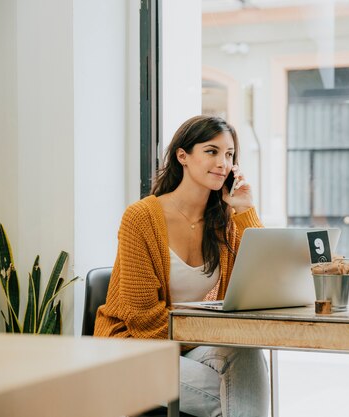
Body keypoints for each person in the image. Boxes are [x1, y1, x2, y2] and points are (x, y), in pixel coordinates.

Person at [94, 115, 269, 417]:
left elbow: (264, 278)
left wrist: (245, 209)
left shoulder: (222, 222)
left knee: (246, 356)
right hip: (130, 351)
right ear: (183, 156)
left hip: (183, 345)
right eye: (211, 151)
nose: (223, 164)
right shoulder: (141, 218)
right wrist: (210, 332)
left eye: (229, 155)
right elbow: (145, 322)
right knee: (234, 397)